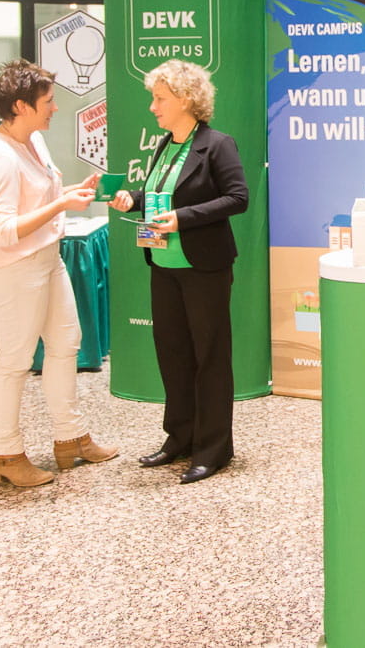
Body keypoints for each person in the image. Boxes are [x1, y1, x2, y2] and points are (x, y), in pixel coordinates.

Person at [0, 59, 115, 487]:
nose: (55, 108)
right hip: (12, 269)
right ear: (21, 105)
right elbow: (4, 230)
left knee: (65, 343)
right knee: (14, 361)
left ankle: (70, 439)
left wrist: (71, 193)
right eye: (48, 102)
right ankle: (6, 453)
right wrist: (59, 206)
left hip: (46, 261)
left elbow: (39, 196)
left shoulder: (33, 141)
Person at [110, 60, 248, 485]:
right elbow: (158, 195)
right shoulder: (164, 144)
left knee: (209, 358)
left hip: (203, 266)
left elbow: (237, 198)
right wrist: (132, 199)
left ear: (186, 100)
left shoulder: (218, 144)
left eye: (160, 99)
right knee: (173, 355)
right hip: (163, 265)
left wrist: (183, 218)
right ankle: (179, 438)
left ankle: (213, 449)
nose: (153, 107)